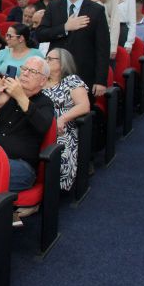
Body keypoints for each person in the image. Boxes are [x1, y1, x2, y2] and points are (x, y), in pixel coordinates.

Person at [0, 56, 54, 193]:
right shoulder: (5, 93)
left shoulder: (45, 103)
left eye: (32, 71)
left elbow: (43, 126)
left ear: (43, 81)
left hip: (21, 165)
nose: (25, 73)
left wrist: (20, 96)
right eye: (24, 69)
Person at [36, 0, 110, 96]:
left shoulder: (96, 10)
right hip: (55, 74)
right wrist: (65, 27)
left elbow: (103, 48)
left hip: (84, 74)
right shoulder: (53, 6)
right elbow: (41, 34)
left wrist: (101, 80)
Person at [42, 49, 90, 192]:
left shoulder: (71, 80)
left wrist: (62, 118)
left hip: (62, 129)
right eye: (45, 58)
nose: (46, 61)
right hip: (39, 124)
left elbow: (84, 105)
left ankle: (50, 192)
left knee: (56, 155)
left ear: (62, 63)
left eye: (50, 59)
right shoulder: (41, 80)